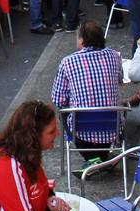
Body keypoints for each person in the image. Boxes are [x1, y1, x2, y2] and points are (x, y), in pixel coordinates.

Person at [51, 21, 123, 161]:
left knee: (63, 110)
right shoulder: (114, 56)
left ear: (82, 40)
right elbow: (119, 78)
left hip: (80, 131)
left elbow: (58, 98)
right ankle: (101, 160)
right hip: (112, 128)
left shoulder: (68, 62)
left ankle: (94, 161)